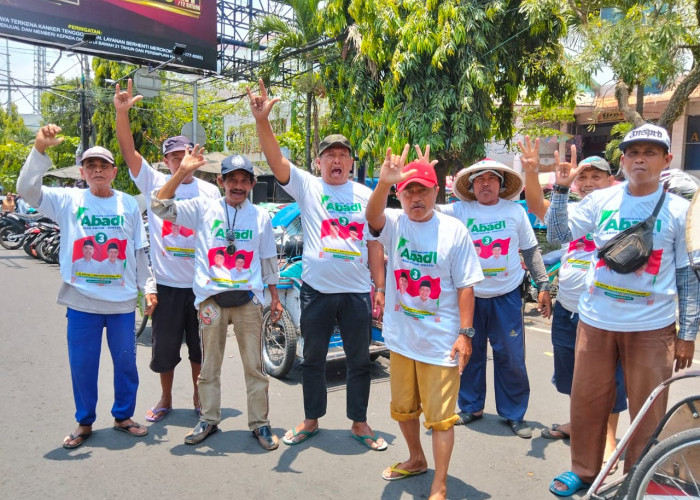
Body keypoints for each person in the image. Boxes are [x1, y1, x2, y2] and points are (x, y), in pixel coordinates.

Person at [546, 123, 699, 496]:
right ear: (623, 160)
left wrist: (688, 334)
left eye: (649, 152)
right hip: (595, 321)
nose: (640, 159)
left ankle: (638, 475)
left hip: (653, 326)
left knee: (648, 408)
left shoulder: (681, 210)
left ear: (666, 159)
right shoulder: (601, 201)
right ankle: (583, 472)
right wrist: (562, 190)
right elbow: (557, 235)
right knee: (587, 401)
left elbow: (687, 276)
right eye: (633, 152)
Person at [248, 79, 387, 450]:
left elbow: (375, 246)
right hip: (317, 292)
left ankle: (359, 422)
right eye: (330, 155)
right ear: (319, 162)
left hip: (357, 292)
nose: (336, 160)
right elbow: (276, 161)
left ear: (351, 162)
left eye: (343, 155)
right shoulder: (308, 186)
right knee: (313, 359)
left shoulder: (366, 196)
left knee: (359, 361)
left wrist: (381, 289)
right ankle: (311, 419)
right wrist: (263, 121)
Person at [17, 124, 157, 449]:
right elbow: (26, 189)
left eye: (103, 165)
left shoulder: (128, 205)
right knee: (83, 366)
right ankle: (84, 421)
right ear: (82, 171)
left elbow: (138, 252)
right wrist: (39, 150)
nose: (97, 170)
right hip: (81, 302)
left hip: (121, 304)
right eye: (91, 165)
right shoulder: (67, 200)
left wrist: (148, 287)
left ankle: (123, 416)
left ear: (113, 171)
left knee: (125, 362)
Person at [366, 147, 483, 500]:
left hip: (440, 342)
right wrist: (384, 184)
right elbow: (371, 218)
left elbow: (466, 286)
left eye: (423, 190)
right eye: (409, 191)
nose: (416, 198)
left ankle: (440, 483)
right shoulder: (395, 222)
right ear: (400, 195)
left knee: (441, 420)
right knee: (403, 410)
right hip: (401, 338)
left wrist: (465, 333)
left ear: (436, 192)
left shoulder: (453, 230)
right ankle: (416, 458)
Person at [152, 149, 284, 450]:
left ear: (252, 184)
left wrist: (274, 297)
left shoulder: (260, 216)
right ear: (220, 181)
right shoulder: (202, 207)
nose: (238, 185)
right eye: (232, 179)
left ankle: (260, 424)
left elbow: (266, 260)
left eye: (244, 180)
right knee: (210, 365)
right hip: (211, 300)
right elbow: (160, 206)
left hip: (248, 300)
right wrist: (181, 172)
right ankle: (208, 418)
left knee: (255, 366)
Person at [115, 79, 221, 423]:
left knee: (200, 349)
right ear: (165, 160)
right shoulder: (153, 182)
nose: (180, 161)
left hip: (202, 287)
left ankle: (198, 397)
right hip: (166, 286)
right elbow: (128, 152)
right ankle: (164, 397)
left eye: (185, 155)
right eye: (174, 157)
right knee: (164, 350)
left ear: (196, 155)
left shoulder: (209, 193)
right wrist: (122, 114)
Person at [519, 137, 627, 467]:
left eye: (597, 176)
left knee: (609, 378)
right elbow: (539, 209)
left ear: (612, 180)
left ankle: (606, 438)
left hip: (603, 312)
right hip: (566, 307)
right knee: (572, 376)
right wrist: (533, 173)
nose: (590, 183)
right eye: (584, 177)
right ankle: (577, 425)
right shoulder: (572, 210)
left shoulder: (621, 211)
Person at [441, 159, 552, 438]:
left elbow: (530, 251)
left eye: (492, 179)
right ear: (471, 185)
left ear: (501, 185)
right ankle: (470, 406)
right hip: (470, 298)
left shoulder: (515, 212)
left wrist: (543, 285)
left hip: (507, 297)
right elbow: (426, 208)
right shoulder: (458, 210)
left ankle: (514, 413)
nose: (486, 184)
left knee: (511, 357)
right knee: (470, 353)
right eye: (479, 179)